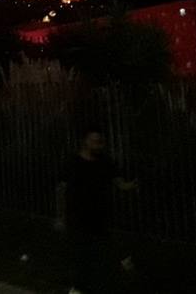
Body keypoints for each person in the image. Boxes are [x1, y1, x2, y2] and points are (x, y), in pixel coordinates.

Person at [56, 126, 138, 294]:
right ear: (85, 142)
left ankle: (97, 281)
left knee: (100, 248)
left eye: (100, 142)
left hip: (99, 214)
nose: (98, 145)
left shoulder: (105, 162)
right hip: (77, 215)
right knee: (82, 252)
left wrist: (130, 185)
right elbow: (61, 189)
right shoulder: (73, 162)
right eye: (94, 141)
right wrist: (61, 216)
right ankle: (79, 286)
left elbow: (118, 181)